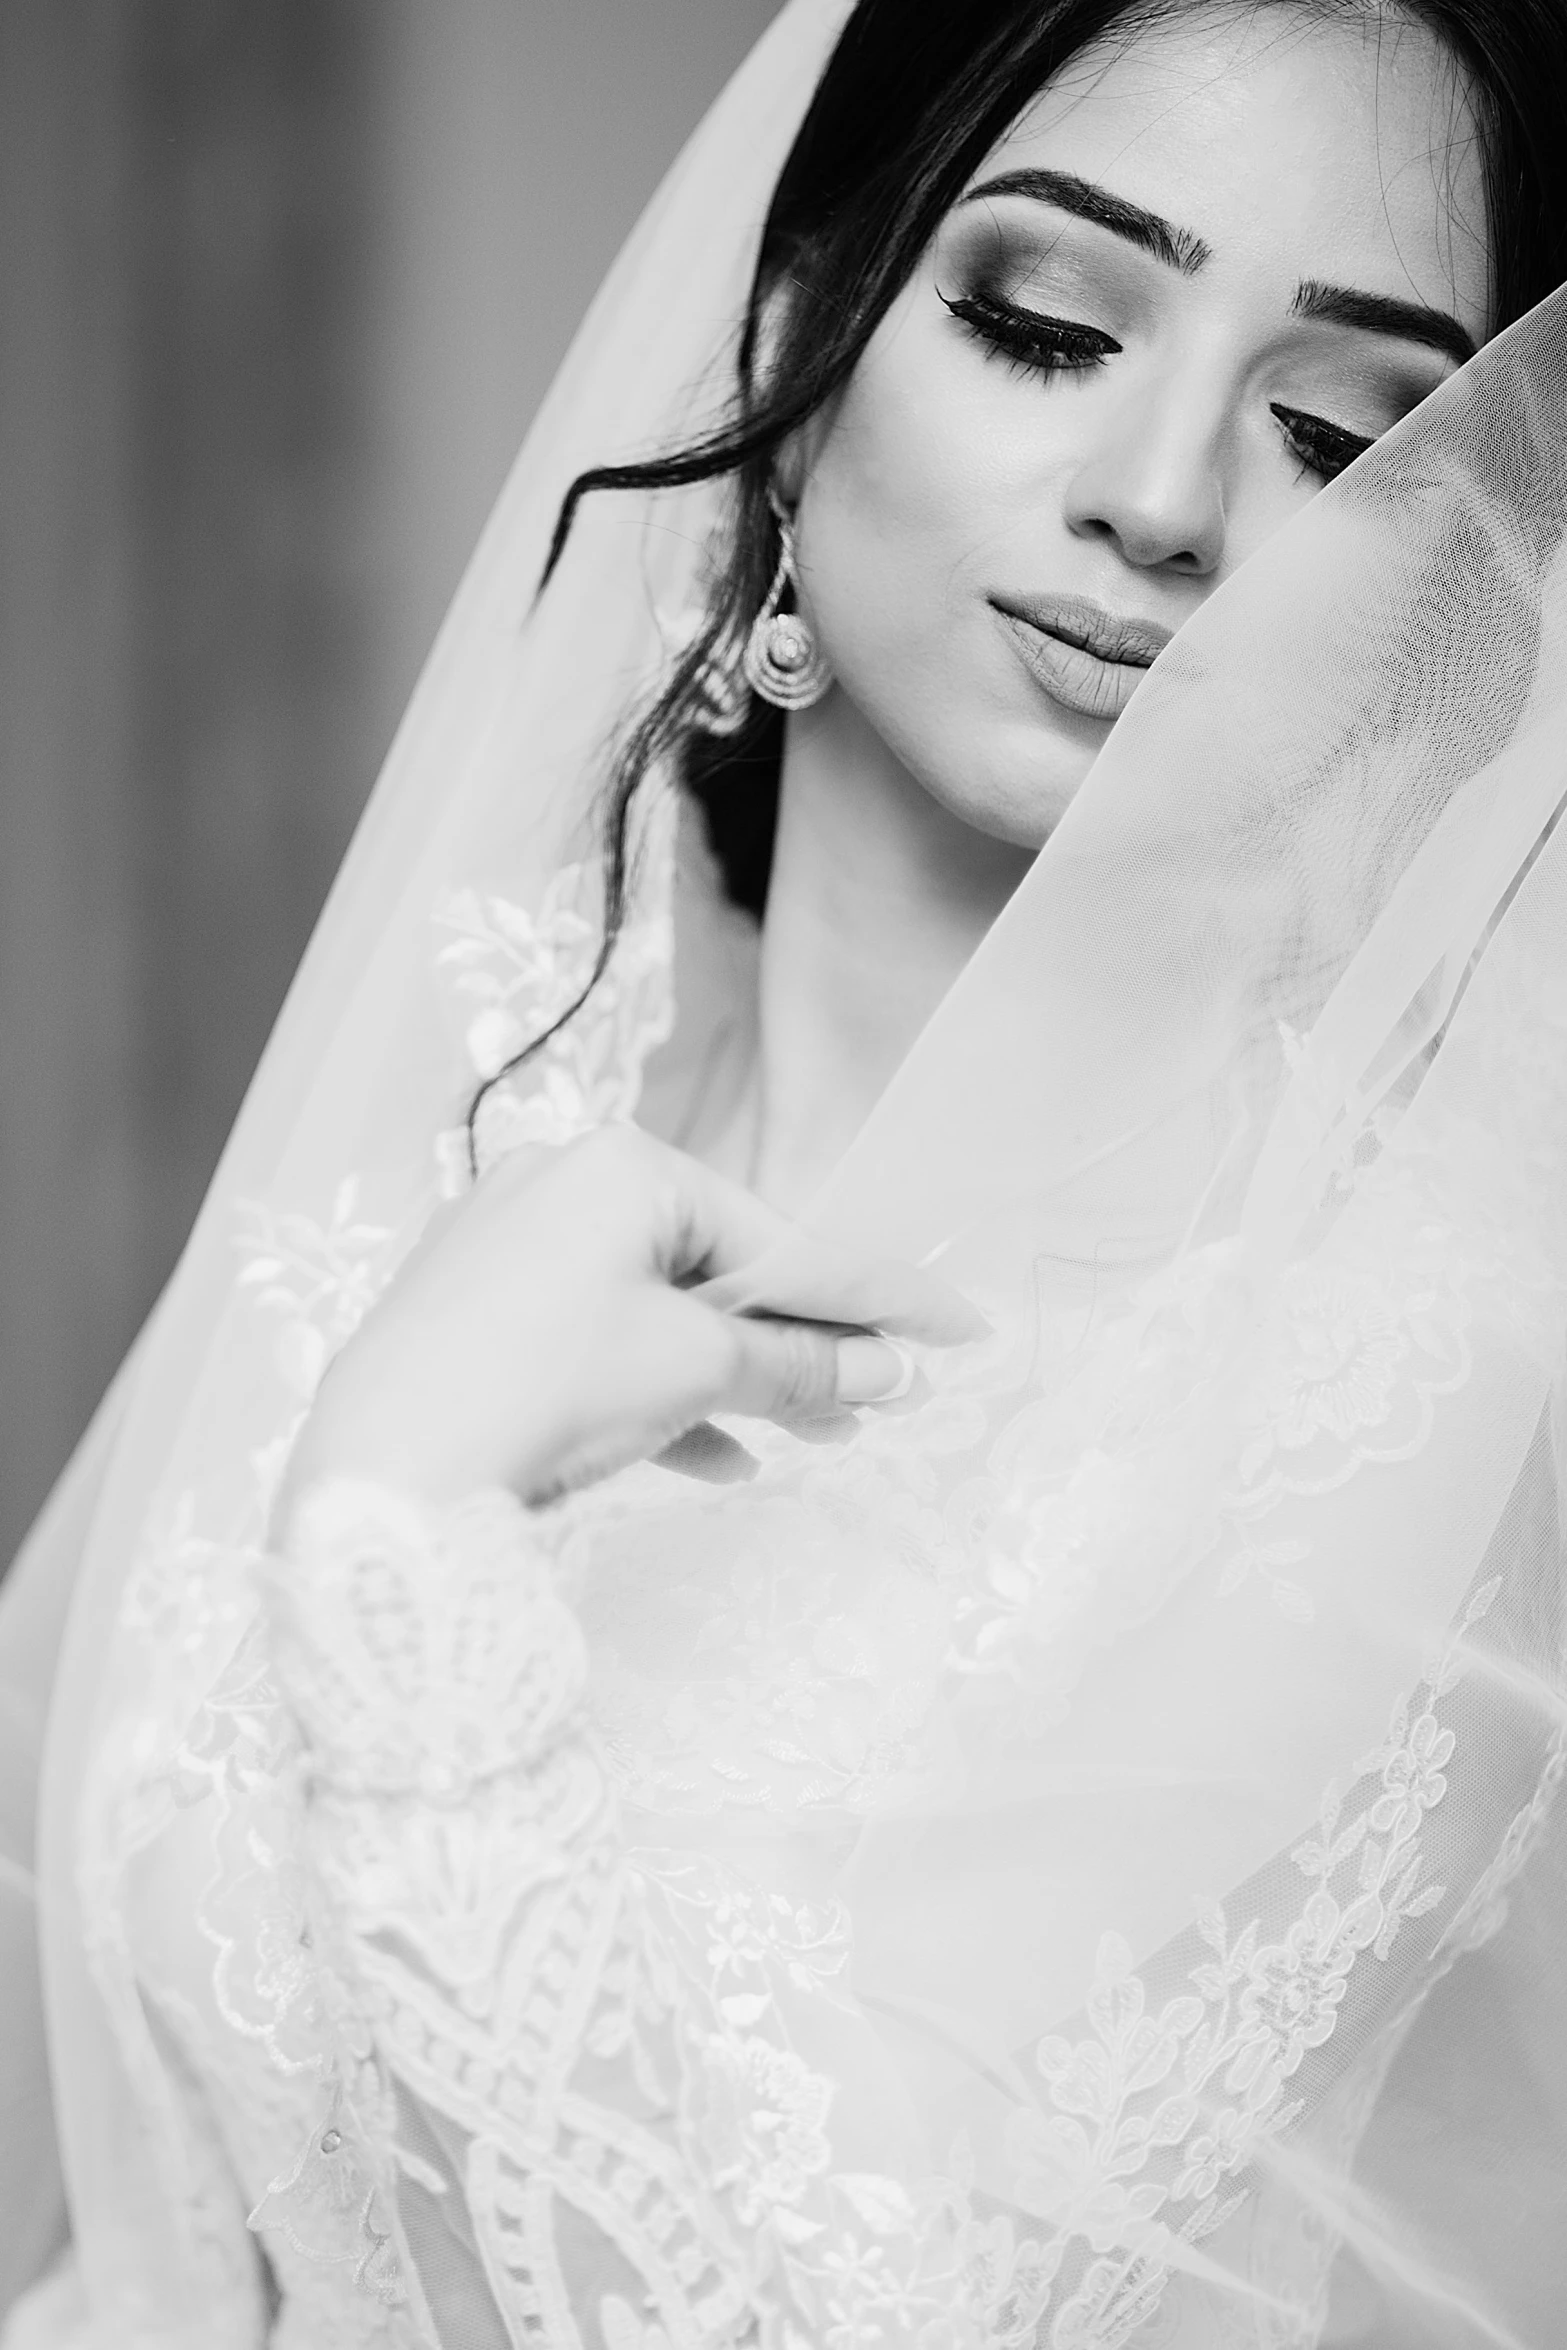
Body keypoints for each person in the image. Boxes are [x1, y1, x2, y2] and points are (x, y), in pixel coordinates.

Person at [3, 1, 1567, 2344]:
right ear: (797, 347)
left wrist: (408, 1536)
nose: (1162, 494)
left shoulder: (1391, 1356)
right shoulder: (521, 1045)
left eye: (1344, 432)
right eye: (1046, 319)